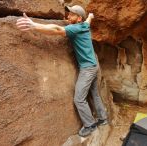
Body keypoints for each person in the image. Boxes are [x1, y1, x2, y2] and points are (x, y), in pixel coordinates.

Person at [16, 5, 108, 137]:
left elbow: (57, 29)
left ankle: (90, 125)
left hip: (88, 68)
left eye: (71, 14)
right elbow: (88, 20)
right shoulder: (84, 25)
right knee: (94, 93)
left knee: (79, 99)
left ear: (78, 18)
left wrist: (33, 25)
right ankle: (103, 118)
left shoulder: (75, 28)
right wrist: (90, 16)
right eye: (68, 13)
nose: (68, 16)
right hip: (94, 65)